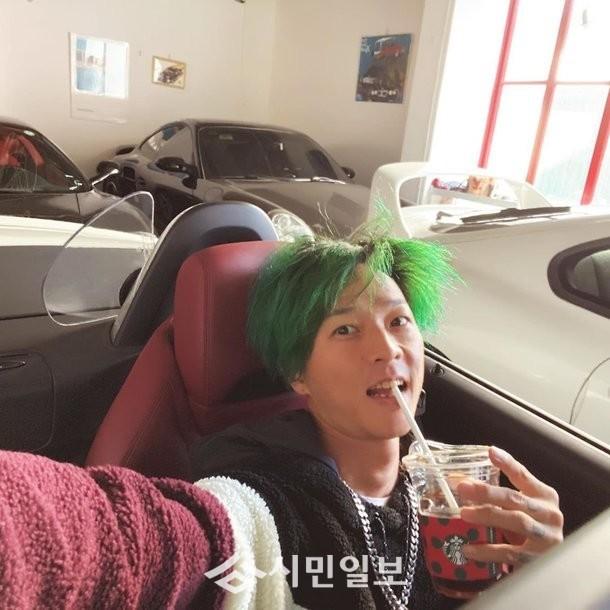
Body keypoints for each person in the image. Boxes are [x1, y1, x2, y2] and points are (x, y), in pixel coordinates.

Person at [0, 232, 563, 609]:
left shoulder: (452, 488)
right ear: (298, 374)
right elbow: (150, 539)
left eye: (399, 321)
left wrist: (545, 580)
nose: (387, 349)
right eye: (345, 329)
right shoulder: (269, 501)